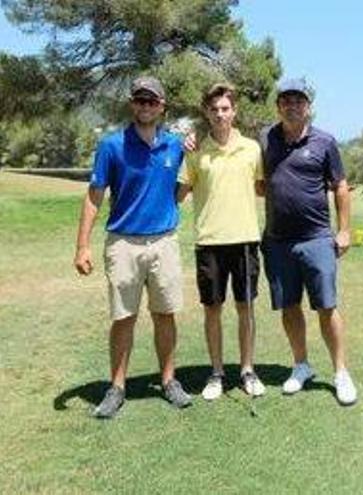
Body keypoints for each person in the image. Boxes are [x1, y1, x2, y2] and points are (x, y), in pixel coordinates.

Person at [74, 76, 192, 419]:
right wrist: (82, 246)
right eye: (140, 100)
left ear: (162, 107)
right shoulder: (112, 146)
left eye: (151, 101)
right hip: (123, 243)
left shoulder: (175, 146)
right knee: (123, 318)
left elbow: (185, 183)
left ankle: (169, 380)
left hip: (164, 242)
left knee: (165, 315)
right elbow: (95, 196)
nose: (145, 106)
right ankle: (117, 387)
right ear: (132, 105)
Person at [259, 77, 357, 405]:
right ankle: (301, 366)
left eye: (298, 100)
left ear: (308, 107)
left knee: (326, 306)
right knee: (289, 306)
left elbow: (340, 186)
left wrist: (344, 231)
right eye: (286, 100)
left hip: (316, 239)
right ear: (278, 106)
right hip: (277, 241)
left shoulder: (325, 142)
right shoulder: (265, 139)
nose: (292, 105)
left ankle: (340, 372)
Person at [177, 83, 265, 400]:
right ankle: (216, 373)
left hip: (244, 240)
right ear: (207, 113)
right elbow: (180, 192)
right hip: (210, 242)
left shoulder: (253, 149)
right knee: (212, 310)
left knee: (246, 308)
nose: (220, 114)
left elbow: (262, 188)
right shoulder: (196, 151)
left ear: (234, 111)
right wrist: (180, 147)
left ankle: (247, 370)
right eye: (214, 109)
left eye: (225, 108)